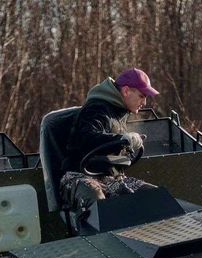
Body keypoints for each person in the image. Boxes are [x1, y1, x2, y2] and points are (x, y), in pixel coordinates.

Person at [60, 68, 159, 211]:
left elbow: (117, 154)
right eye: (142, 96)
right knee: (97, 201)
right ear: (126, 91)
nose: (144, 102)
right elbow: (86, 138)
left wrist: (127, 146)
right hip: (77, 176)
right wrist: (123, 139)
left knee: (154, 196)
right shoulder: (97, 109)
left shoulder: (119, 114)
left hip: (108, 178)